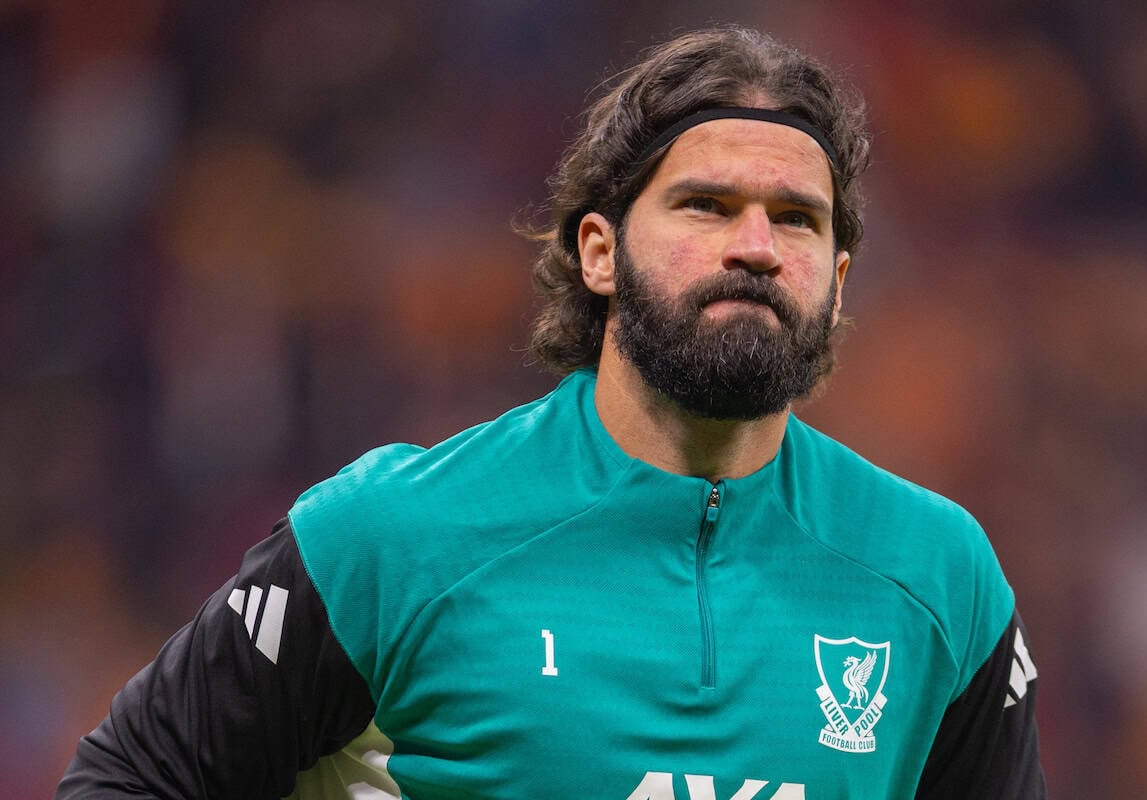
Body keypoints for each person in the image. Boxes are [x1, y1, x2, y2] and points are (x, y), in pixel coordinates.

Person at [58, 25, 1044, 799]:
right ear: (600, 252)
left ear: (834, 277)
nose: (756, 244)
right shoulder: (391, 537)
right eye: (706, 204)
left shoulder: (937, 571)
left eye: (795, 218)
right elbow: (129, 779)